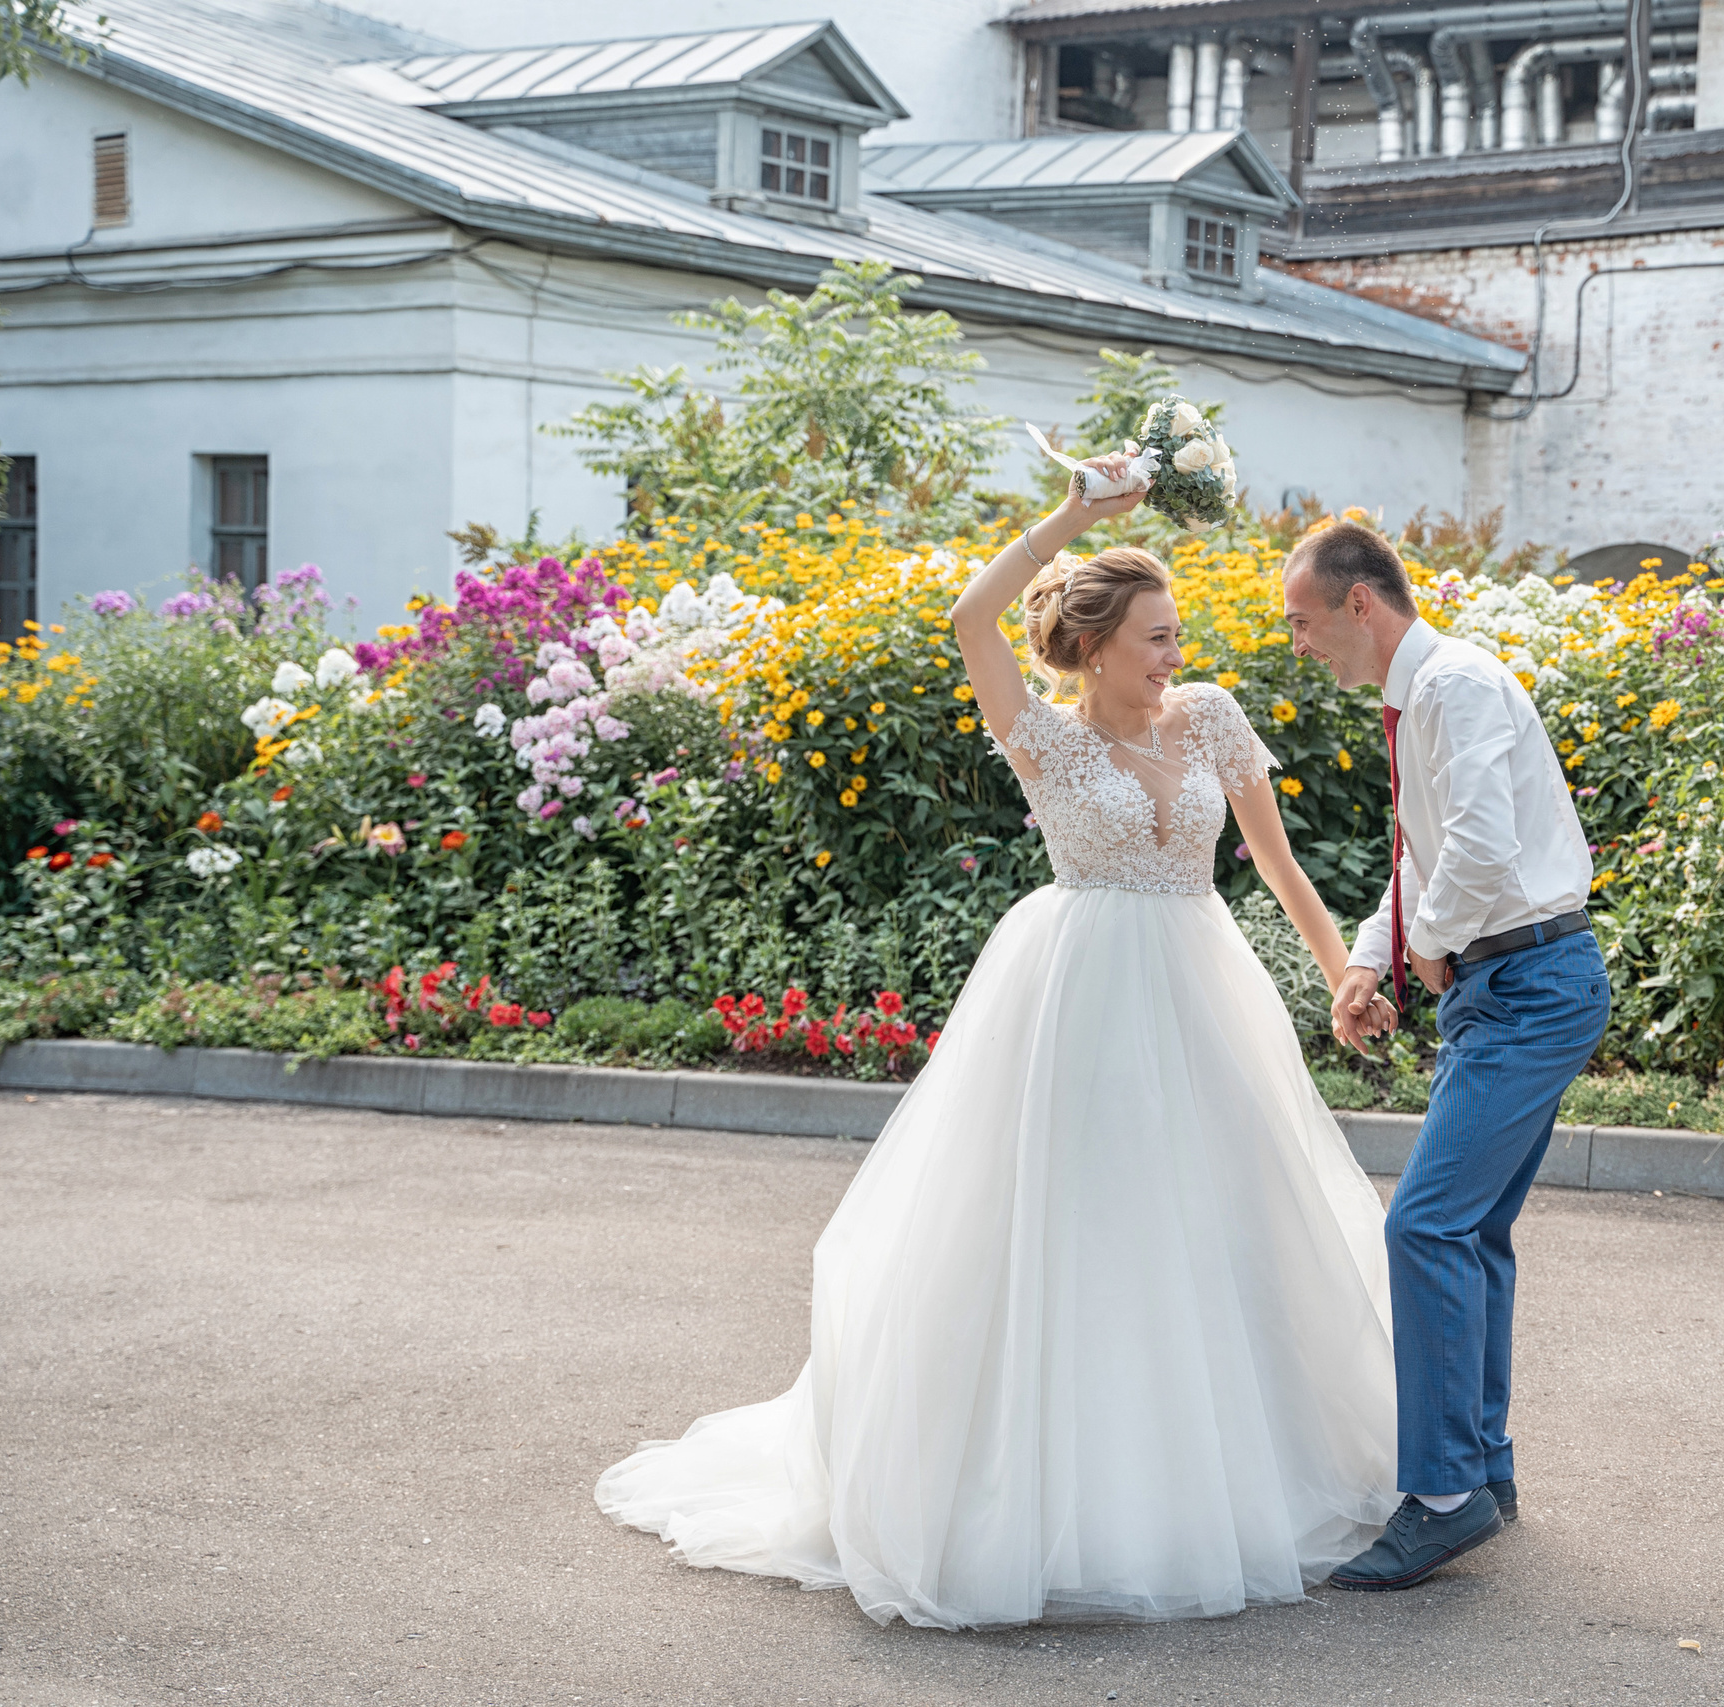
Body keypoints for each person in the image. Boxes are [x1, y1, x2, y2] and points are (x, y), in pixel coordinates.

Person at [597, 459, 1403, 1629]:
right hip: (1077, 993)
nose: (1172, 655)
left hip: (1201, 986)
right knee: (1075, 1226)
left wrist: (1342, 976)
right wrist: (1079, 515)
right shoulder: (1039, 737)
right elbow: (971, 616)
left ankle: (1235, 1468)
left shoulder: (1215, 718)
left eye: (1178, 634)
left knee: (1219, 1219)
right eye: (1152, 639)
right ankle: (1061, 1494)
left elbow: (1278, 867)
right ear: (1092, 646)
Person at [1281, 521, 1610, 1593]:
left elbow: (1476, 844)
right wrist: (1371, 963)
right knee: (1472, 1232)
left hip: (1528, 986)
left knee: (1423, 1225)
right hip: (1503, 985)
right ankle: (1485, 1470)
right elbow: (1424, 858)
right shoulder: (1415, 696)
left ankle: (1441, 1497)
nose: (1297, 643)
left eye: (1301, 620)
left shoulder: (1455, 684)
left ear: (1360, 603)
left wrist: (1423, 952)